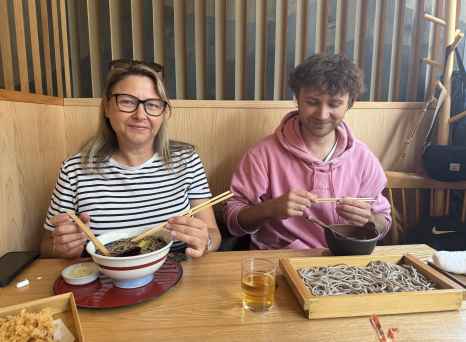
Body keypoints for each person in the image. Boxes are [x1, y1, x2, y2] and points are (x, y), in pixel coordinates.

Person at [40, 59, 221, 258]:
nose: (140, 114)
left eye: (152, 104)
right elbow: (47, 246)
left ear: (163, 113)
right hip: (105, 280)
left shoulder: (186, 160)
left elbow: (213, 234)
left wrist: (206, 241)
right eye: (127, 101)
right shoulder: (74, 169)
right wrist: (61, 247)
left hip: (176, 272)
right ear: (107, 108)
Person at [225, 54, 391, 250]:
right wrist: (269, 209)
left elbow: (384, 221)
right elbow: (233, 222)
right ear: (297, 99)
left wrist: (370, 220)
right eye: (312, 102)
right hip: (278, 262)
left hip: (344, 261)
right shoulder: (263, 154)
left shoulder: (362, 157)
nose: (322, 115)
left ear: (350, 103)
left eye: (334, 104)